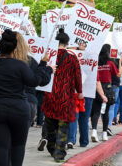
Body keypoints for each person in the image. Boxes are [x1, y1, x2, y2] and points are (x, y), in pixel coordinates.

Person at [0, 29, 52, 166]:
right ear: (14, 47)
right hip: (18, 109)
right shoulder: (20, 65)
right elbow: (34, 81)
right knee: (18, 146)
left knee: (1, 147)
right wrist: (44, 66)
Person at [41, 28, 83, 163]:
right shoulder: (72, 58)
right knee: (62, 126)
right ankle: (59, 153)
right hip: (65, 96)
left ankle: (51, 146)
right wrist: (80, 91)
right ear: (67, 43)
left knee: (50, 124)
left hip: (50, 95)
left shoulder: (48, 56)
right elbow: (78, 76)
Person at [91, 44, 119, 142]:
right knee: (106, 112)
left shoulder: (96, 63)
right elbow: (117, 74)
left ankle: (94, 131)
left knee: (96, 111)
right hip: (107, 87)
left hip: (96, 87)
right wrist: (121, 63)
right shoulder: (110, 63)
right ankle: (104, 134)